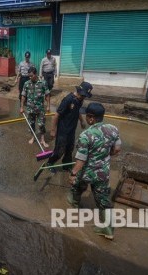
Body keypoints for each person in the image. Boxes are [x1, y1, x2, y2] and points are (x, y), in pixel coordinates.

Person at [68, 102, 122, 240]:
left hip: (87, 172)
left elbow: (81, 160)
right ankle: (108, 230)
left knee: (77, 186)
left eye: (87, 116)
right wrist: (104, 157)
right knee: (104, 201)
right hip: (103, 173)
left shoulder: (86, 135)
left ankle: (74, 205)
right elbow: (117, 149)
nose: (86, 118)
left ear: (91, 118)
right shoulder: (113, 129)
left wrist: (73, 174)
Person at [46, 82, 93, 173]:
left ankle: (66, 165)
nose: (84, 97)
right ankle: (50, 163)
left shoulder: (79, 100)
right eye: (83, 95)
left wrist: (82, 120)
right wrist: (53, 130)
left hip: (71, 129)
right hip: (63, 130)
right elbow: (56, 115)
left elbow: (77, 110)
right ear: (79, 91)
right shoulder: (68, 100)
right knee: (60, 149)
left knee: (70, 148)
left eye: (85, 96)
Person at [20, 67, 51, 147]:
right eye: (29, 76)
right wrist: (22, 107)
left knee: (41, 124)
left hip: (40, 108)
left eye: (31, 76)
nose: (30, 78)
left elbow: (47, 95)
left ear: (35, 74)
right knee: (31, 123)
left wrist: (48, 106)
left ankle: (42, 139)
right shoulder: (26, 83)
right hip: (30, 108)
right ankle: (33, 137)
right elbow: (23, 96)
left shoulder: (43, 83)